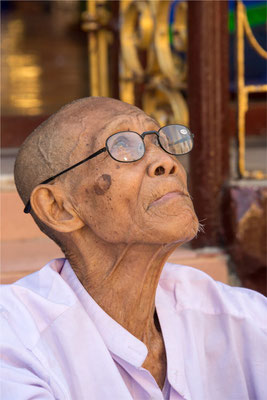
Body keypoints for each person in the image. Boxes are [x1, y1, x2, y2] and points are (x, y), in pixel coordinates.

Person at [1, 97, 266, 400]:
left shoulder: (236, 317)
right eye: (123, 147)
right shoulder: (15, 338)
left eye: (161, 141)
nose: (166, 162)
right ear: (59, 207)